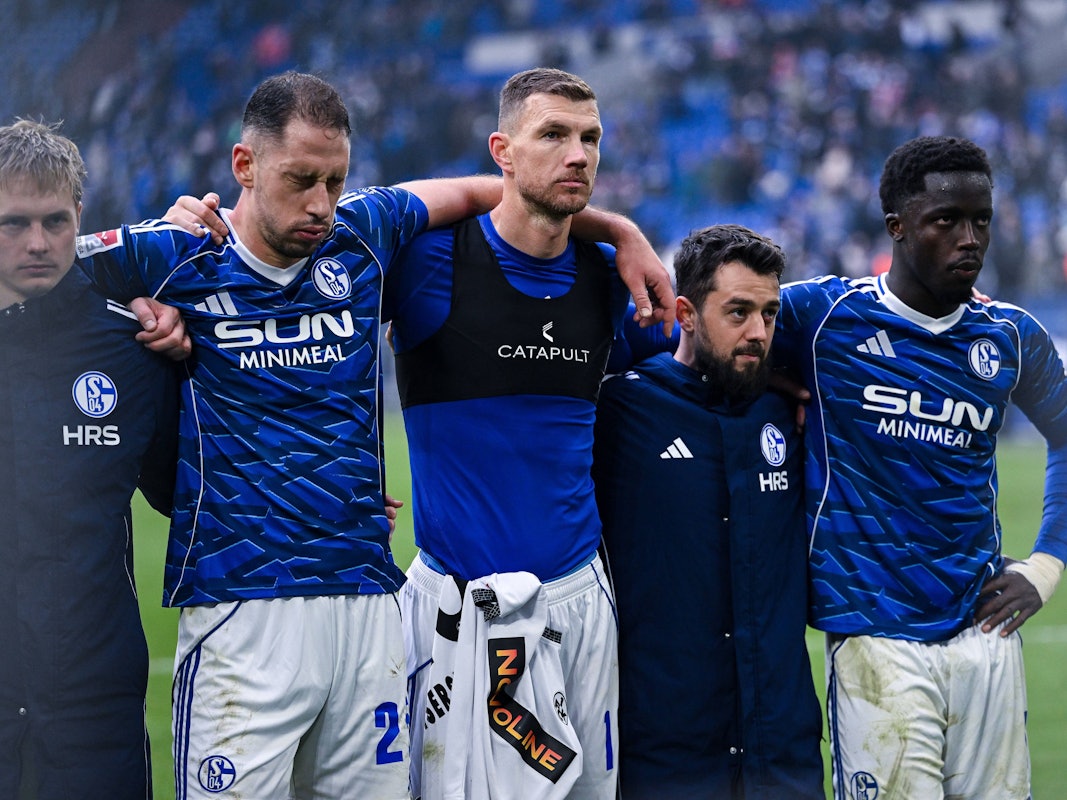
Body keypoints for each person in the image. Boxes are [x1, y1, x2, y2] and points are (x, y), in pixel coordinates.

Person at [83, 70, 673, 799]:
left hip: (370, 599)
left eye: (334, 181)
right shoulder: (174, 254)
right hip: (243, 597)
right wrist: (132, 312)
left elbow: (504, 189)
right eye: (301, 179)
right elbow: (37, 270)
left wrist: (619, 228)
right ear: (244, 166)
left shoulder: (364, 234)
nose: (320, 204)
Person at [382, 67, 657, 800]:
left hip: (578, 598)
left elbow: (692, 372)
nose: (579, 154)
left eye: (591, 138)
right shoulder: (425, 262)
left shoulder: (610, 281)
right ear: (502, 150)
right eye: (554, 136)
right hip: (455, 601)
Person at [773, 135, 1067, 799]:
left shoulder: (1009, 335)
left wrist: (1045, 565)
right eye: (946, 221)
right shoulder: (822, 317)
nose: (970, 239)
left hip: (985, 632)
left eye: (981, 220)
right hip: (875, 636)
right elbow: (702, 322)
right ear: (897, 228)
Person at [592, 224, 824, 799]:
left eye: (770, 314)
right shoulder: (623, 410)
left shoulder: (788, 409)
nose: (758, 332)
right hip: (667, 751)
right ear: (686, 313)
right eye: (738, 312)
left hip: (783, 748)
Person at [0, 119, 180, 799]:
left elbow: (181, 492)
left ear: (80, 214)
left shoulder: (128, 348)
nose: (38, 243)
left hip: (92, 709)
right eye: (13, 223)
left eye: (54, 220)